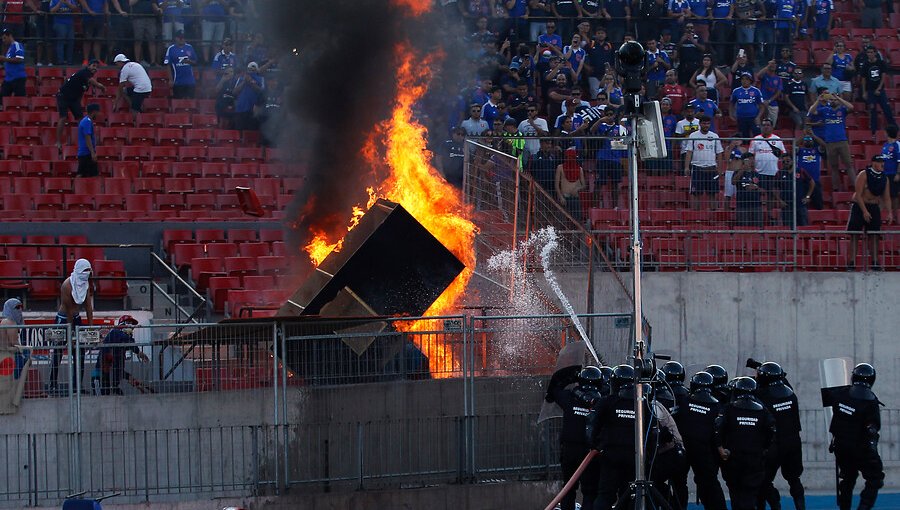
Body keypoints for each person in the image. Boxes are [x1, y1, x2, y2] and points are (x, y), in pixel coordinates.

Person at [589, 364, 682, 510]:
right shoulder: (643, 403)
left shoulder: (608, 402)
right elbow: (652, 432)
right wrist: (649, 456)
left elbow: (592, 426)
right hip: (635, 458)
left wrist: (595, 445)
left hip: (611, 456)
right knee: (631, 495)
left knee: (605, 495)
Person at [823, 363, 884, 510]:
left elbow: (825, 395)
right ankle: (863, 507)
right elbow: (872, 431)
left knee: (847, 480)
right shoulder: (870, 401)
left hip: (841, 447)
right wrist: (873, 454)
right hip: (861, 449)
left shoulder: (841, 393)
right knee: (875, 479)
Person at [545, 365, 603, 510]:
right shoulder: (603, 402)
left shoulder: (569, 397)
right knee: (590, 490)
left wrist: (571, 375)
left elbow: (554, 388)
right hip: (590, 452)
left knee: (568, 488)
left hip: (570, 450)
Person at [714, 377, 776, 510]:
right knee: (749, 494)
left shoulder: (729, 408)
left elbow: (717, 428)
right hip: (754, 458)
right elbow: (772, 430)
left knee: (735, 493)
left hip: (733, 458)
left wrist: (720, 448)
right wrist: (765, 447)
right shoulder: (762, 411)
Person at [754, 362, 806, 510]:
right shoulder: (790, 393)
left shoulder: (762, 395)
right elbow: (781, 378)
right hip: (793, 442)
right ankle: (800, 507)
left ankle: (774, 505)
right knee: (794, 480)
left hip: (773, 444)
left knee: (763, 481)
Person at [678, 371, 728, 510]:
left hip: (684, 449)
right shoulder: (717, 406)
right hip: (706, 452)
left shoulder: (685, 402)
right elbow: (718, 430)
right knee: (709, 483)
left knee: (679, 482)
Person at [48, 259, 93, 393]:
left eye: (88, 270)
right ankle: (53, 384)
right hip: (63, 319)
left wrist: (90, 328)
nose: (87, 273)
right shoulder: (67, 285)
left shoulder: (86, 285)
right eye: (85, 270)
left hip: (77, 318)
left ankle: (77, 386)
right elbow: (68, 310)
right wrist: (71, 332)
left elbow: (88, 307)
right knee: (58, 352)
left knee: (79, 353)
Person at [848, 155, 892, 270]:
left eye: (883, 162)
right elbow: (858, 194)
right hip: (859, 206)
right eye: (879, 162)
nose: (882, 164)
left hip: (873, 207)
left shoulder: (884, 178)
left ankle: (875, 262)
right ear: (873, 163)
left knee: (874, 235)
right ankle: (851, 263)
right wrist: (864, 211)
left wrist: (889, 212)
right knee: (854, 235)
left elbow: (886, 197)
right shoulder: (864, 174)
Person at [807, 90, 853, 192]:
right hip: (830, 143)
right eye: (830, 100)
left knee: (849, 165)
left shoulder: (842, 110)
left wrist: (839, 98)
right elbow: (812, 111)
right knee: (834, 167)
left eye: (834, 100)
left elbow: (851, 107)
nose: (832, 101)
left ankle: (855, 187)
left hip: (842, 141)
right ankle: (836, 189)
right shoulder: (825, 110)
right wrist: (818, 100)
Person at [55, 60, 106, 151]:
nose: (95, 68)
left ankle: (85, 141)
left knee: (81, 119)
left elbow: (81, 92)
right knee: (63, 117)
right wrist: (101, 86)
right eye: (93, 66)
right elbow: (94, 82)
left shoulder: (86, 81)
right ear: (88, 66)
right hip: (63, 96)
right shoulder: (84, 72)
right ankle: (58, 142)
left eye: (97, 67)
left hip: (74, 99)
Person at [99, 315, 150, 395]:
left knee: (116, 392)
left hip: (110, 381)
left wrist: (131, 379)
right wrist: (138, 352)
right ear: (122, 324)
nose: (131, 326)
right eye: (129, 323)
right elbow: (127, 340)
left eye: (132, 324)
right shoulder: (115, 333)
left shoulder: (120, 348)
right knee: (107, 393)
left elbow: (118, 370)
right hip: (102, 379)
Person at [684, 115, 724, 210]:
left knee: (712, 193)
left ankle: (713, 219)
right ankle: (696, 218)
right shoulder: (693, 136)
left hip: (711, 168)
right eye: (704, 123)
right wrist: (686, 167)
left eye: (708, 123)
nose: (706, 125)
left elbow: (719, 153)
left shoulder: (714, 136)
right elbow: (689, 152)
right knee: (696, 193)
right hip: (697, 167)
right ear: (700, 124)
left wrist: (720, 168)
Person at [749, 118, 786, 216]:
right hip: (759, 172)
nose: (766, 127)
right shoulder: (755, 140)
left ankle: (769, 213)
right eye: (764, 125)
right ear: (761, 127)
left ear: (772, 127)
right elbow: (750, 156)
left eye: (768, 125)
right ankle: (758, 213)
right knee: (757, 193)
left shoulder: (777, 140)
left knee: (771, 194)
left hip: (774, 171)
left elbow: (783, 155)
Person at [858, 46, 896, 135]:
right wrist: (864, 92)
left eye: (871, 52)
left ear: (875, 53)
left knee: (887, 110)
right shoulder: (865, 64)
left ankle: (895, 130)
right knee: (873, 111)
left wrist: (879, 88)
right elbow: (863, 79)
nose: (870, 54)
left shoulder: (881, 63)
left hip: (880, 91)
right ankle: (874, 132)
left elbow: (883, 76)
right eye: (868, 52)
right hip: (870, 91)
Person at [113, 53, 153, 128]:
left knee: (133, 110)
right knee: (125, 91)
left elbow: (120, 87)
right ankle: (136, 106)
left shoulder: (124, 69)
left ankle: (136, 124)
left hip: (141, 89)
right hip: (148, 87)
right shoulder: (135, 64)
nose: (117, 66)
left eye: (117, 64)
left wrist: (115, 102)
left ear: (120, 62)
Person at [733, 152, 765, 226]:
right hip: (742, 205)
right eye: (750, 159)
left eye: (753, 159)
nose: (752, 161)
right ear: (744, 161)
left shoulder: (757, 174)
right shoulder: (738, 172)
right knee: (743, 226)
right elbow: (733, 182)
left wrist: (755, 188)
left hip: (756, 205)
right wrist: (742, 170)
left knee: (757, 227)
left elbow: (764, 190)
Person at [796, 129, 826, 210]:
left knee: (819, 206)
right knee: (802, 204)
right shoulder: (800, 151)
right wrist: (803, 136)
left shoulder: (817, 150)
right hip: (802, 181)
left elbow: (824, 145)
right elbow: (794, 145)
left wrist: (813, 136)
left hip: (815, 181)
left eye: (810, 139)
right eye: (806, 140)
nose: (808, 141)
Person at [164, 30, 198, 99]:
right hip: (178, 81)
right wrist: (170, 79)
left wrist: (189, 61)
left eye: (183, 37)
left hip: (190, 81)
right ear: (176, 38)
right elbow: (167, 64)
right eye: (180, 37)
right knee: (179, 103)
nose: (182, 39)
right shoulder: (171, 49)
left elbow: (195, 62)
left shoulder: (189, 47)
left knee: (191, 103)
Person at [233, 61, 265, 131]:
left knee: (251, 133)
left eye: (253, 69)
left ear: (257, 70)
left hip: (254, 110)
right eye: (250, 69)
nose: (251, 71)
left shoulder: (261, 79)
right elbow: (234, 92)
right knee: (240, 132)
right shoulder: (241, 79)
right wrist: (244, 81)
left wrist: (251, 82)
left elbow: (262, 92)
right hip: (241, 109)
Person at [555, 147, 586, 220]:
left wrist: (578, 188)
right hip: (564, 198)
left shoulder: (580, 169)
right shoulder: (560, 168)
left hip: (575, 198)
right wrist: (561, 197)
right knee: (563, 221)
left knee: (576, 220)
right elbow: (556, 185)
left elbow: (584, 185)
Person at [730, 72, 763, 139]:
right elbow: (731, 104)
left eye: (747, 79)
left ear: (750, 81)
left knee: (757, 136)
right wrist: (731, 114)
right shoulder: (736, 91)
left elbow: (762, 106)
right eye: (743, 79)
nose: (744, 81)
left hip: (753, 117)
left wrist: (758, 117)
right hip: (741, 118)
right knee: (744, 137)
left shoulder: (756, 91)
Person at [130, 0, 161, 66]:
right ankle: (137, 61)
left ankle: (153, 62)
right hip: (138, 17)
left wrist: (157, 9)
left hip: (151, 17)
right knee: (138, 40)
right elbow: (130, 3)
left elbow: (154, 3)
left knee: (152, 40)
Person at [755, 59, 783, 125]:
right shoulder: (764, 76)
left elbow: (778, 92)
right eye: (771, 64)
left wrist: (769, 101)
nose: (773, 65)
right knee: (758, 124)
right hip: (761, 103)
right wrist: (768, 65)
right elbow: (758, 75)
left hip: (772, 103)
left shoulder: (778, 79)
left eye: (774, 64)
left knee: (772, 125)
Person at [881, 124, 900, 224]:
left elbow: (899, 161)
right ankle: (886, 216)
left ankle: (896, 216)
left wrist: (898, 173)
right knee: (884, 195)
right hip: (885, 174)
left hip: (893, 174)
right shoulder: (885, 146)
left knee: (894, 196)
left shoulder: (897, 145)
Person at [76, 104, 101, 178]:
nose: (99, 114)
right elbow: (88, 138)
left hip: (86, 152)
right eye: (98, 112)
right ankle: (75, 189)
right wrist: (92, 153)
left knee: (85, 174)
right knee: (82, 175)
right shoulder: (87, 121)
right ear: (94, 112)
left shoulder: (87, 120)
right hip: (86, 153)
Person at [0, 29, 25, 99]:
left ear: (10, 36)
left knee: (19, 100)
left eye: (5, 38)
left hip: (17, 77)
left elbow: (20, 59)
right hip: (9, 78)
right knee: (3, 98)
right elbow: (9, 61)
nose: (3, 40)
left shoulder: (17, 45)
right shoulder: (9, 48)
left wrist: (4, 59)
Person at [48, 0, 75, 65]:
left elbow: (75, 9)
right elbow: (52, 11)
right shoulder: (54, 0)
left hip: (70, 23)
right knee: (60, 42)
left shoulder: (71, 0)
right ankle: (60, 61)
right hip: (59, 23)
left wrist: (67, 3)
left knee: (71, 42)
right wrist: (60, 3)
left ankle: (69, 61)